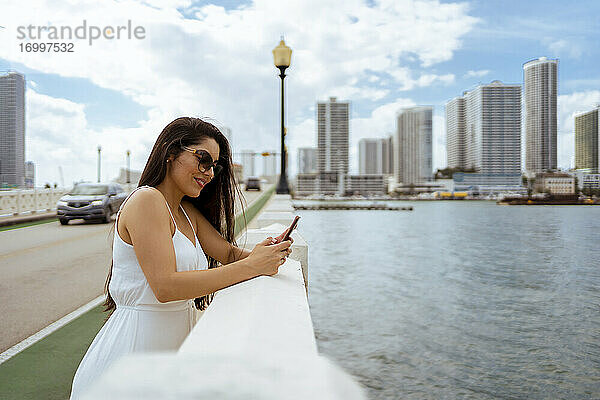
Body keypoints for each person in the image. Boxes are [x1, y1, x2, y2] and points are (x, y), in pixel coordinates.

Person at [70, 117, 293, 399]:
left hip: (170, 353)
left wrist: (267, 252)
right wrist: (252, 266)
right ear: (171, 152)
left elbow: (228, 255)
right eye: (203, 160)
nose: (210, 173)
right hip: (131, 358)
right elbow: (165, 287)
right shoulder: (146, 201)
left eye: (215, 165)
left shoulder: (188, 212)